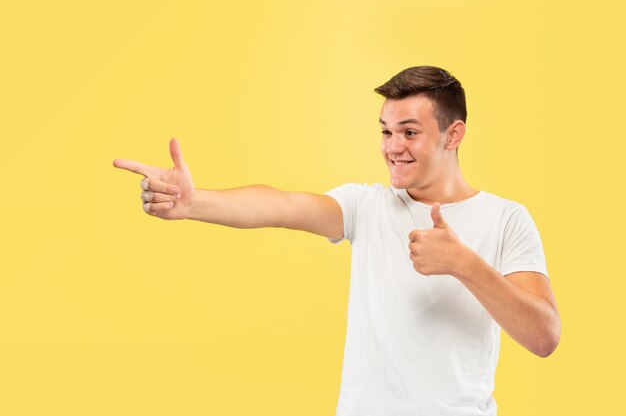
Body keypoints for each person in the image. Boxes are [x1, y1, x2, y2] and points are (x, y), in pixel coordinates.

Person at [113, 66, 560, 416]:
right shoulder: (365, 207)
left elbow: (544, 336)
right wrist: (195, 203)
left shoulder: (506, 219)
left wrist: (464, 264)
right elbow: (282, 206)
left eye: (410, 132)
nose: (392, 147)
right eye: (385, 131)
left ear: (453, 134)